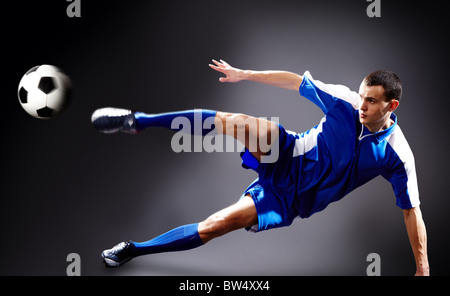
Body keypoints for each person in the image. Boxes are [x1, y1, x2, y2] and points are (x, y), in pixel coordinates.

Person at [92, 59, 429, 276]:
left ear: (391, 105)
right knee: (237, 123)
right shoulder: (345, 102)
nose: (362, 105)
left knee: (214, 226)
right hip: (289, 151)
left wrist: (422, 268)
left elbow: (411, 211)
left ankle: (134, 249)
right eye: (362, 96)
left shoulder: (397, 155)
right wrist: (245, 74)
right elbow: (295, 82)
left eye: (371, 101)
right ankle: (138, 121)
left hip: (289, 198)